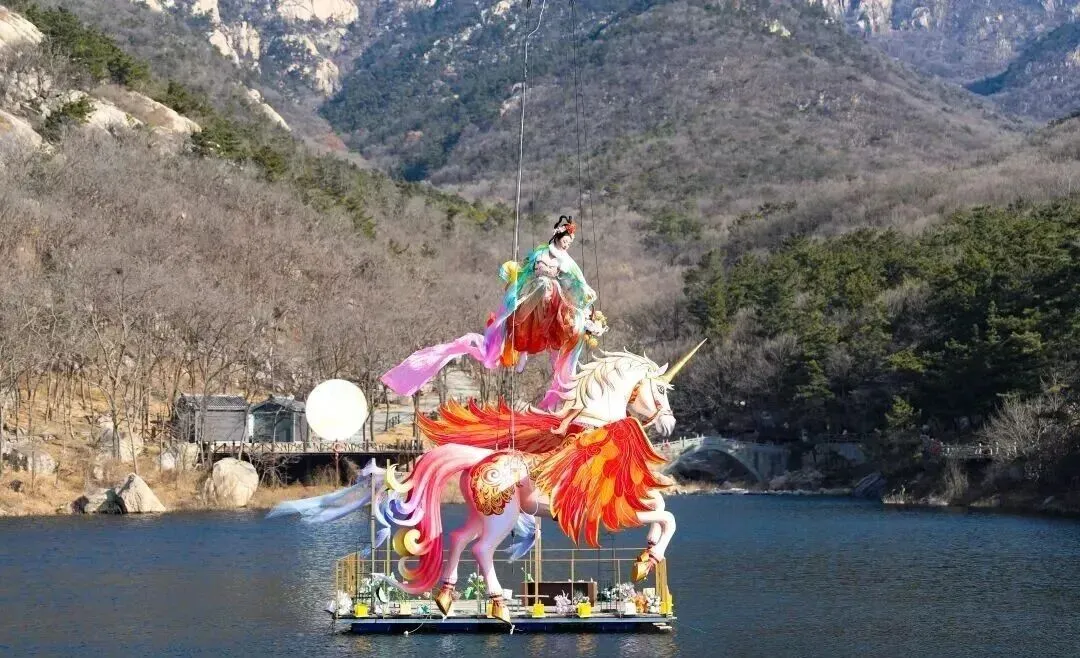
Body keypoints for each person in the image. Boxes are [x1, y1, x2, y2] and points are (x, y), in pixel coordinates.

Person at [381, 215, 606, 410]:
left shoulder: (567, 261)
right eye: (566, 240)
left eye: (570, 242)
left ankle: (552, 368)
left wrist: (584, 299)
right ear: (558, 236)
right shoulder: (541, 254)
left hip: (554, 299)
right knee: (538, 293)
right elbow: (529, 270)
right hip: (535, 290)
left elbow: (577, 282)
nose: (567, 245)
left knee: (561, 311)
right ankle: (521, 347)